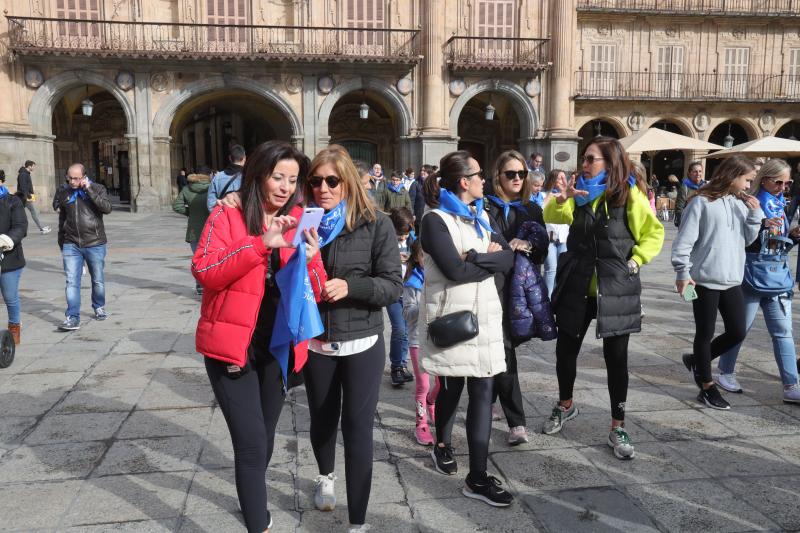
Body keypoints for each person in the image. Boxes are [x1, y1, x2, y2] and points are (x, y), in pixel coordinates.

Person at [192, 141, 325, 533]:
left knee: (264, 437)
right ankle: (258, 523)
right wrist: (259, 243)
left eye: (292, 180)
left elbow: (312, 292)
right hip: (231, 347)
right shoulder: (228, 214)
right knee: (250, 443)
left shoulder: (299, 220)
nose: (284, 187)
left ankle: (251, 494)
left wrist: (313, 256)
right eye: (277, 177)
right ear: (258, 175)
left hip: (277, 347)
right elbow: (205, 270)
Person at [542, 137, 664, 460]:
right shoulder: (578, 194)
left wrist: (636, 260)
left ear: (609, 163)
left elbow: (654, 233)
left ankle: (617, 425)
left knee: (616, 359)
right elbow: (553, 216)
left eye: (591, 159)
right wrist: (561, 198)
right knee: (565, 350)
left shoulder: (629, 194)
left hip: (616, 287)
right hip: (577, 284)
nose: (584, 164)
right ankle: (565, 404)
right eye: (583, 159)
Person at [302, 146, 402, 532]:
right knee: (323, 419)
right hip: (317, 342)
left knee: (358, 428)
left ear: (347, 182)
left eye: (332, 181)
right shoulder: (304, 222)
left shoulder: (376, 223)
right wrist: (305, 257)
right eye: (315, 181)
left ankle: (358, 522)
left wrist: (351, 286)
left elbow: (393, 285)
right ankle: (325, 476)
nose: (323, 188)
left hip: (362, 340)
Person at [421, 150, 515, 507]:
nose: (484, 182)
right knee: (450, 385)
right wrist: (486, 260)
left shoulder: (482, 216)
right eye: (479, 176)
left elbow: (506, 257)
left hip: (486, 317)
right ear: (464, 182)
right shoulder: (435, 220)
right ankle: (442, 442)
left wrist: (476, 259)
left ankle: (477, 477)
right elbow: (454, 272)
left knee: (482, 390)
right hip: (453, 318)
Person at [672, 155, 763, 410]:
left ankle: (696, 360)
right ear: (733, 175)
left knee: (737, 331)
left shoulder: (740, 205)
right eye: (746, 180)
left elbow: (745, 241)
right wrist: (682, 273)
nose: (748, 186)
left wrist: (755, 215)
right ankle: (707, 386)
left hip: (732, 278)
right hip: (702, 280)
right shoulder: (700, 203)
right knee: (705, 333)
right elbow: (683, 243)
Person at [713, 159, 800, 403]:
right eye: (779, 182)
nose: (783, 187)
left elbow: (778, 244)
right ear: (765, 180)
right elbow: (742, 239)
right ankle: (725, 371)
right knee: (740, 329)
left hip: (776, 274)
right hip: (751, 274)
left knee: (783, 331)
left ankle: (791, 384)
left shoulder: (780, 204)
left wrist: (792, 236)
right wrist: (761, 225)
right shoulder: (751, 202)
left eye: (788, 182)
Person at [484, 150, 545, 446]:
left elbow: (543, 250)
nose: (519, 179)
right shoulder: (484, 209)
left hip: (517, 292)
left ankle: (502, 410)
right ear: (498, 177)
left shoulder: (532, 210)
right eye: (511, 174)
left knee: (505, 349)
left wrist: (530, 244)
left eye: (522, 173)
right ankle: (515, 421)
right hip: (488, 287)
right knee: (502, 350)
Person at [53, 163, 113, 331]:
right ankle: (72, 317)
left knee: (97, 279)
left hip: (95, 242)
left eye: (77, 178)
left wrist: (89, 189)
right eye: (70, 177)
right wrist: (61, 242)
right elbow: (62, 219)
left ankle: (98, 306)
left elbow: (106, 208)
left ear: (84, 177)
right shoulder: (63, 192)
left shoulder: (98, 188)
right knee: (71, 281)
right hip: (71, 243)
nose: (73, 181)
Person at [403, 237, 439, 445]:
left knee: (442, 384)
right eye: (422, 255)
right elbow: (407, 313)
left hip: (438, 338)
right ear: (416, 258)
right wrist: (424, 303)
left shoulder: (439, 276)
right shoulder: (411, 284)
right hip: (418, 340)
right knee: (423, 385)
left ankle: (431, 403)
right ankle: (421, 424)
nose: (427, 258)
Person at [173, 166, 212, 295]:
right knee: (212, 258)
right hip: (212, 229)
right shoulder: (212, 188)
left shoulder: (187, 189)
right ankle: (211, 284)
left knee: (198, 259)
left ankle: (200, 286)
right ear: (209, 175)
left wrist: (190, 212)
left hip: (194, 231)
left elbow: (177, 206)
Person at [387, 207, 414, 386]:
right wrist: (395, 258)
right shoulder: (386, 240)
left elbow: (423, 258)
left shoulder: (414, 240)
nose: (403, 238)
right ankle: (396, 367)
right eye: (400, 234)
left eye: (405, 234)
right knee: (399, 329)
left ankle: (402, 364)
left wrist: (411, 259)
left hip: (410, 291)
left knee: (407, 332)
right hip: (393, 291)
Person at [0, 174, 27, 344]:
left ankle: (14, 326)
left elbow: (20, 227)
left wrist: (5, 240)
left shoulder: (12, 201)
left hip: (9, 258)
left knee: (10, 296)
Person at [542, 169, 570, 298]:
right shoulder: (544, 195)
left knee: (562, 270)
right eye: (559, 178)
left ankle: (558, 297)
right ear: (553, 180)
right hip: (549, 237)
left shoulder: (569, 196)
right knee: (551, 269)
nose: (562, 181)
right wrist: (549, 197)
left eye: (564, 178)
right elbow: (540, 211)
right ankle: (547, 299)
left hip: (564, 237)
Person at [207, 145, 246, 210]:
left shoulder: (217, 178)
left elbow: (210, 205)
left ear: (229, 158)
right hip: (243, 218)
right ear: (244, 158)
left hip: (223, 217)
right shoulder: (250, 177)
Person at [16, 160, 51, 234]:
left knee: (19, 213)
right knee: (33, 212)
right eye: (33, 166)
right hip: (24, 197)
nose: (34, 168)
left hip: (24, 197)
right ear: (29, 166)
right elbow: (23, 186)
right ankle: (41, 228)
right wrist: (28, 195)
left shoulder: (26, 174)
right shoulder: (23, 174)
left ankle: (41, 228)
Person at [674, 161, 705, 227]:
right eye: (695, 171)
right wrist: (682, 225)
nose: (698, 174)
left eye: (700, 171)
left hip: (703, 223)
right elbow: (679, 209)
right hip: (689, 223)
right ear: (689, 173)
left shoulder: (705, 187)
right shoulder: (684, 188)